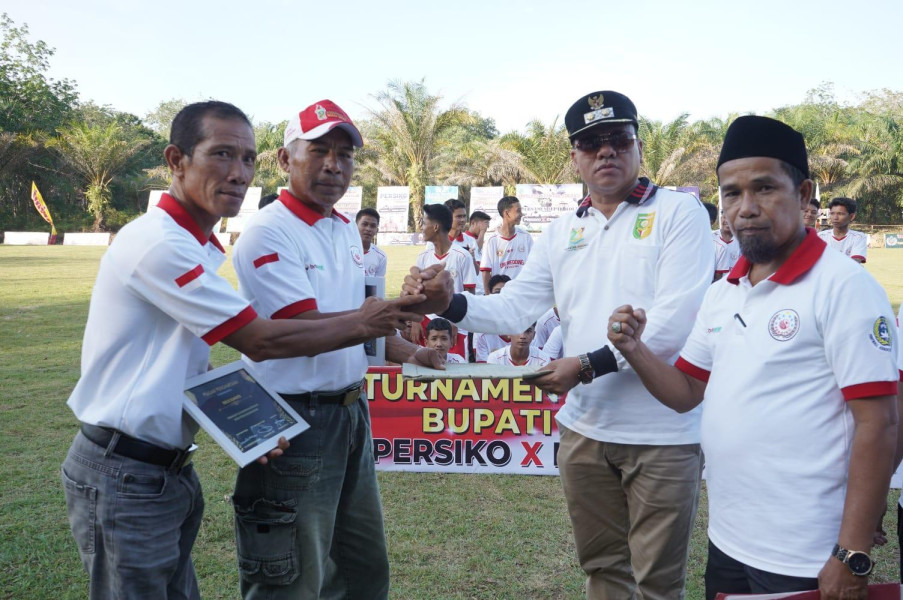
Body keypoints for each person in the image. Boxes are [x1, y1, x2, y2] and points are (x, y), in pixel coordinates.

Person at [60, 101, 425, 600]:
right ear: (176, 159)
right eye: (222, 155)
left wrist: (249, 423)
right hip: (125, 468)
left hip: (165, 467)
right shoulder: (160, 244)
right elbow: (261, 339)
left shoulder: (198, 246)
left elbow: (188, 365)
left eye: (246, 159)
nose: (237, 173)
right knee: (287, 581)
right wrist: (369, 319)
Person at [404, 90, 715, 599]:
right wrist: (451, 303)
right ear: (574, 157)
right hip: (584, 430)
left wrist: (587, 365)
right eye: (591, 143)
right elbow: (513, 310)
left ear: (638, 146)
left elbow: (674, 321)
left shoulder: (679, 213)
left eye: (618, 139)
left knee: (657, 584)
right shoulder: (562, 230)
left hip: (662, 433)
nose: (606, 152)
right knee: (602, 571)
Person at [607, 115, 899, 600]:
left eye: (764, 188)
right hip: (729, 539)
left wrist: (851, 553)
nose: (745, 208)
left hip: (807, 553)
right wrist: (634, 349)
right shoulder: (725, 292)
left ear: (804, 195)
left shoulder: (844, 287)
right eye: (732, 193)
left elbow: (880, 424)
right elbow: (686, 393)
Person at [230, 99, 440, 600]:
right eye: (319, 150)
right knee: (292, 580)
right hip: (291, 426)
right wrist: (398, 310)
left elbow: (359, 326)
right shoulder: (269, 232)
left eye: (345, 154)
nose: (334, 164)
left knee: (362, 570)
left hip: (350, 414)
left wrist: (413, 354)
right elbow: (304, 329)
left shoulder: (344, 228)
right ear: (285, 160)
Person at [413, 203, 477, 357]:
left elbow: (469, 294)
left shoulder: (462, 256)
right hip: (427, 323)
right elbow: (417, 293)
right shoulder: (423, 257)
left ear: (435, 227)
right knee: (424, 371)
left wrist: (455, 322)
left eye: (424, 222)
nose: (421, 227)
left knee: (456, 374)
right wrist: (416, 321)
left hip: (455, 326)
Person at [479, 196, 533, 291]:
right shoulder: (491, 241)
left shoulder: (526, 237)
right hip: (501, 295)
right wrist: (488, 297)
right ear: (507, 213)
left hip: (522, 292)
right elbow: (486, 273)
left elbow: (534, 266)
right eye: (518, 211)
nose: (521, 214)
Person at [472, 274, 512, 362]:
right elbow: (482, 366)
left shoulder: (522, 323)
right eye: (497, 292)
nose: (502, 296)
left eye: (506, 292)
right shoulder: (481, 329)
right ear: (489, 294)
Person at [818, 197, 868, 263]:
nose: (835, 218)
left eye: (840, 214)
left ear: (851, 216)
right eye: (832, 213)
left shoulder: (859, 237)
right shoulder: (820, 237)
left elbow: (854, 263)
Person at [486, 323, 552, 367]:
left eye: (528, 331)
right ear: (508, 333)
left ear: (534, 335)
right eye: (517, 330)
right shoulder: (495, 358)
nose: (522, 336)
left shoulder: (543, 359)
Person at [356, 207, 387, 277]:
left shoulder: (381, 256)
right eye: (364, 224)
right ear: (355, 226)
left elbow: (377, 284)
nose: (368, 229)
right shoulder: (343, 249)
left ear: (377, 230)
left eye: (373, 226)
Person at [712, 213, 740, 281]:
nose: (727, 221)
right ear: (721, 218)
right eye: (725, 217)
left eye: (731, 218)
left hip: (734, 286)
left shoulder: (742, 241)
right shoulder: (710, 237)